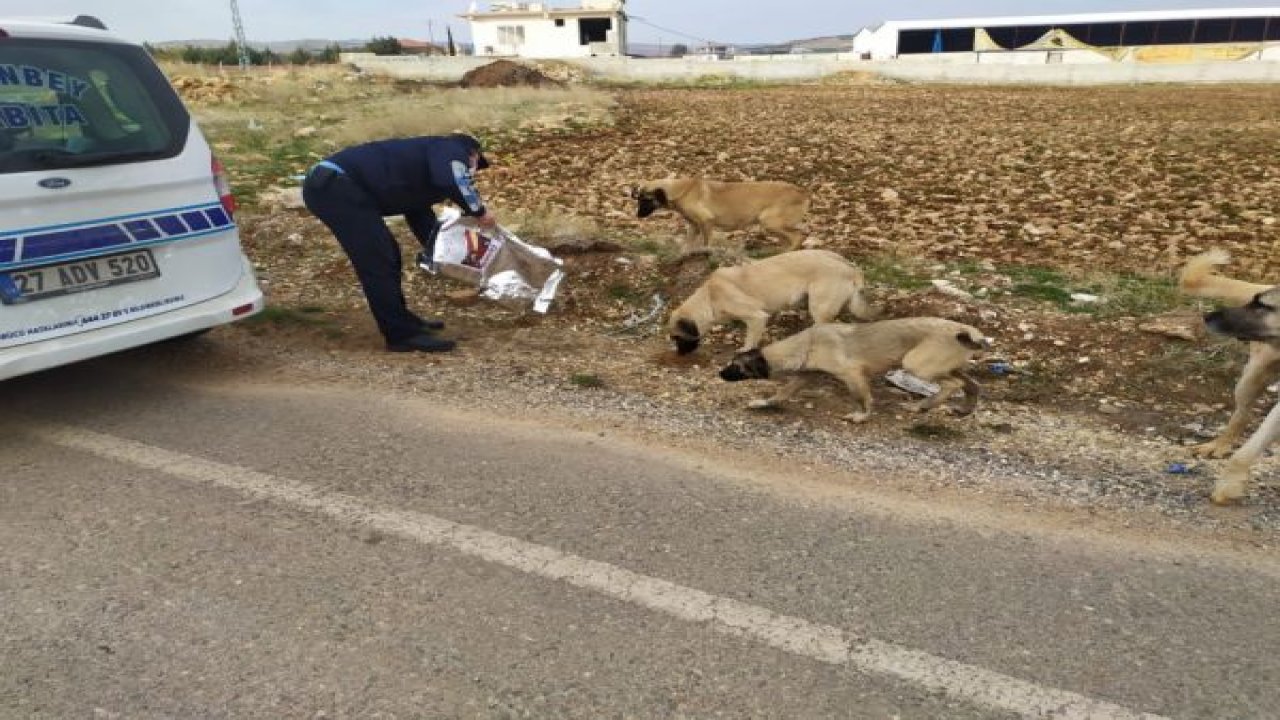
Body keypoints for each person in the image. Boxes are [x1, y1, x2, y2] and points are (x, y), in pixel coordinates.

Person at [301, 133, 497, 353]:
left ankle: (403, 322)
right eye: (474, 165)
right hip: (334, 187)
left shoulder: (419, 175)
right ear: (472, 153)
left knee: (389, 255)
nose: (472, 171)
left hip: (339, 188)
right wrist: (479, 211)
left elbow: (422, 220)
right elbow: (453, 179)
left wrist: (449, 256)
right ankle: (400, 335)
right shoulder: (450, 148)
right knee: (378, 260)